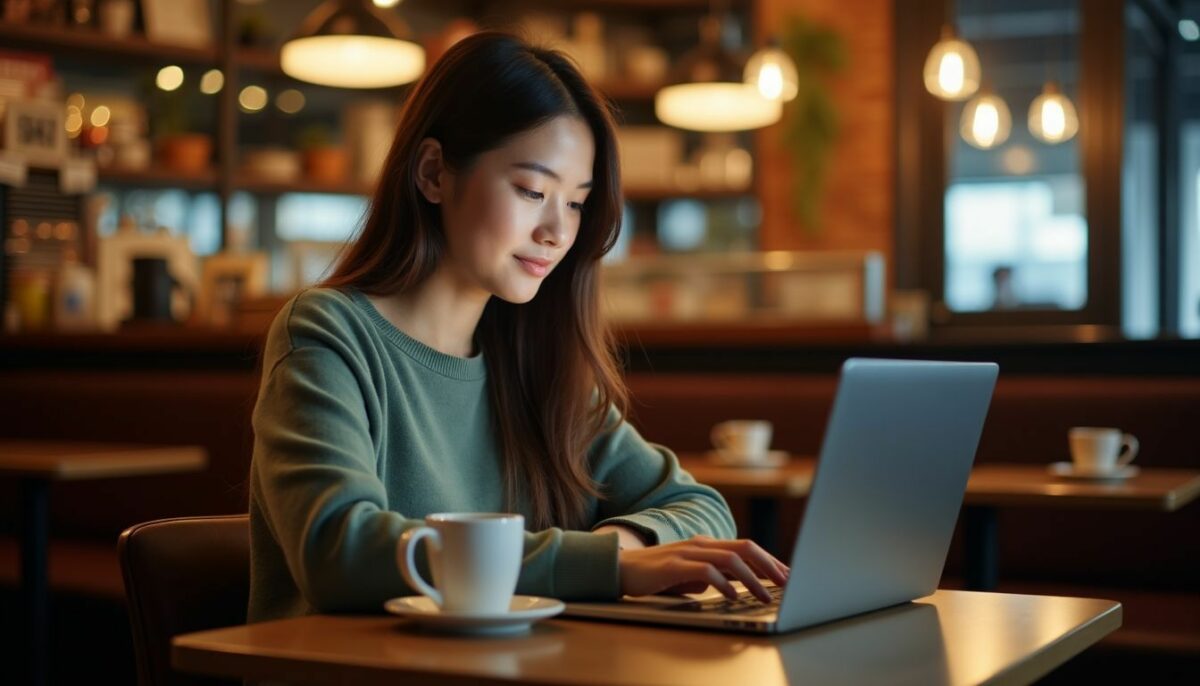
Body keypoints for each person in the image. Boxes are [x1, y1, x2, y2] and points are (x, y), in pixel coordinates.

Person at [247, 31, 789, 624]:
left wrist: (626, 551)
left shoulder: (532, 358)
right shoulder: (327, 334)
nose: (558, 230)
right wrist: (608, 567)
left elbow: (697, 506)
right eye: (533, 190)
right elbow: (340, 552)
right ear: (433, 173)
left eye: (577, 202)